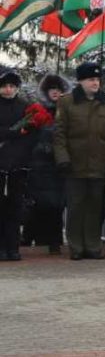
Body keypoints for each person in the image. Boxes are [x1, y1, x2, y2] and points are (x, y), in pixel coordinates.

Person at [54, 63, 105, 260]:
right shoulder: (66, 102)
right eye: (91, 79)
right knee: (76, 206)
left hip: (99, 163)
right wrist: (63, 158)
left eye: (97, 80)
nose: (95, 83)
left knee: (95, 206)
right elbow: (59, 135)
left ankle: (93, 245)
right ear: (81, 81)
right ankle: (76, 246)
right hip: (75, 163)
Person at [27, 74, 67, 255]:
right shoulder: (36, 110)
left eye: (59, 90)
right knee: (41, 204)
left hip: (61, 164)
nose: (56, 93)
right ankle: (38, 238)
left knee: (58, 204)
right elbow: (26, 133)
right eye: (53, 90)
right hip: (40, 165)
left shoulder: (67, 110)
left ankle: (55, 240)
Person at [0, 70, 30, 261]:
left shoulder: (25, 107)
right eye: (4, 86)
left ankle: (13, 246)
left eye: (12, 86)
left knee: (15, 207)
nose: (8, 89)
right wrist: (10, 133)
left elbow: (31, 133)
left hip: (18, 164)